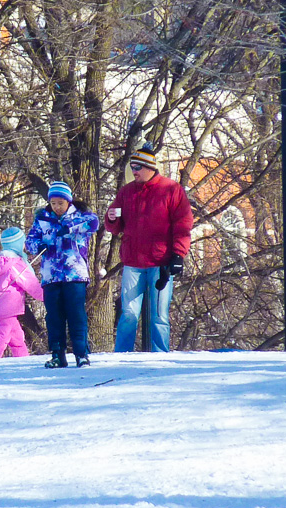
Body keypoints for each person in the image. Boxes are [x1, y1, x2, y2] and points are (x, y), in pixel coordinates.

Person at [104, 145, 193, 352]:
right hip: (133, 263)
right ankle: (121, 355)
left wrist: (178, 254)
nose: (133, 171)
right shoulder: (126, 192)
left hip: (161, 263)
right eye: (132, 166)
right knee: (128, 313)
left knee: (159, 315)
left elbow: (183, 223)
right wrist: (111, 220)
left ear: (150, 167)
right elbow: (115, 227)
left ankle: (160, 354)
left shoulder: (171, 189)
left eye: (137, 167)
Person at [26, 181, 100, 368]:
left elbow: (94, 224)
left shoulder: (80, 216)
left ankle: (81, 353)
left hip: (74, 274)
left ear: (68, 201)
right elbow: (30, 242)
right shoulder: (43, 219)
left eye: (61, 203)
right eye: (54, 203)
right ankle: (57, 354)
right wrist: (41, 245)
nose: (57, 207)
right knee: (54, 316)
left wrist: (68, 228)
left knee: (76, 314)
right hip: (51, 275)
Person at [0, 227, 44, 359]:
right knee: (1, 336)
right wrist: (46, 296)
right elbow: (30, 283)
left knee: (17, 337)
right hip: (9, 307)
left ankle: (22, 359)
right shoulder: (15, 263)